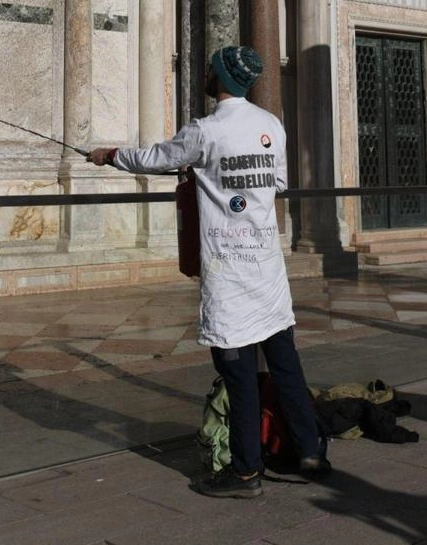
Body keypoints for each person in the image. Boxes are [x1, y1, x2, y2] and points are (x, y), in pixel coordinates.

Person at [89, 45, 329, 498]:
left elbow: (154, 158)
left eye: (209, 69)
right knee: (286, 364)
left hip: (230, 271)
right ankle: (310, 452)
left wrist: (109, 154)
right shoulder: (270, 125)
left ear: (219, 79)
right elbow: (277, 183)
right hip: (267, 268)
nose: (205, 74)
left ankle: (244, 473)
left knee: (238, 376)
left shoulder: (205, 131)